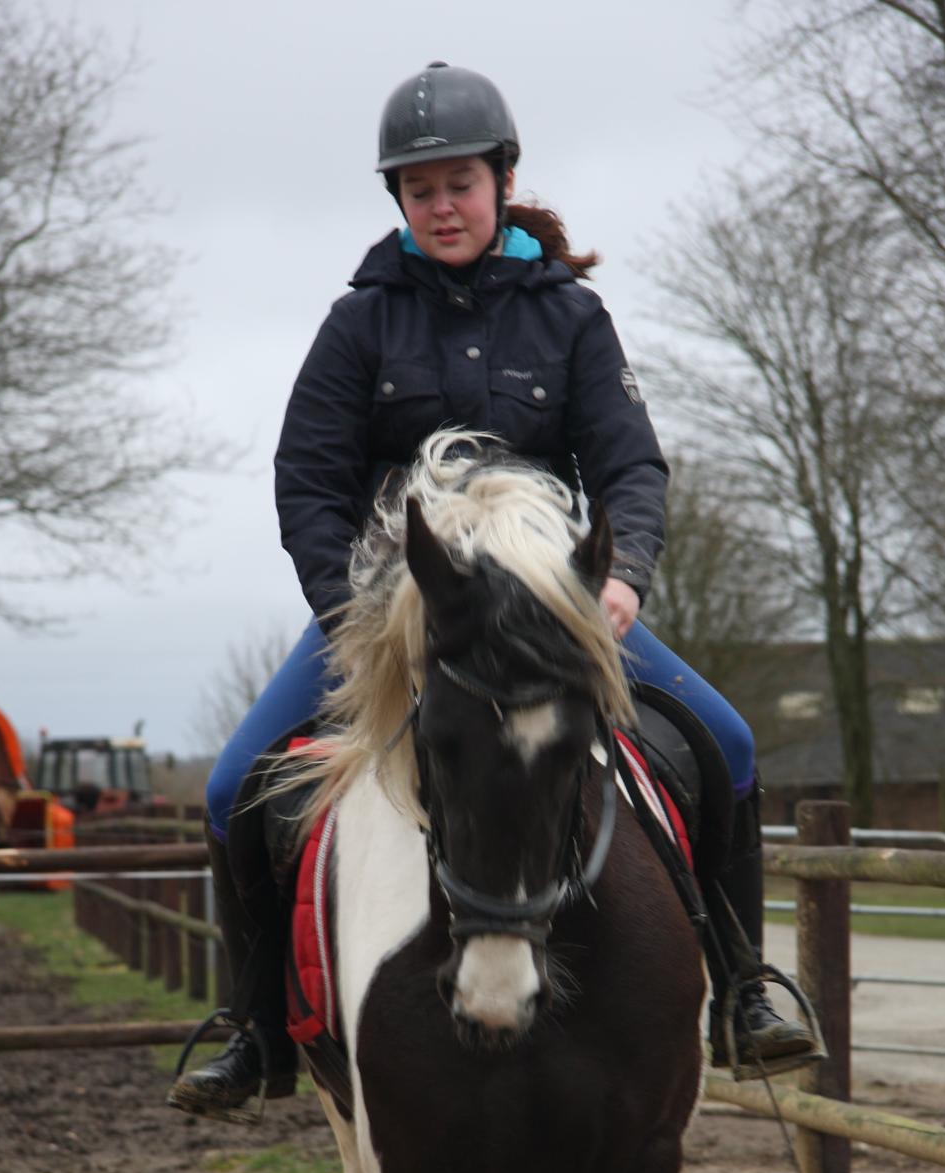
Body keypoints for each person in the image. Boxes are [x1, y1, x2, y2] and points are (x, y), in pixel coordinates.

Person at [169, 62, 814, 1118]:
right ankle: (251, 1027)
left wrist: (623, 582)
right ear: (398, 203)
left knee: (726, 743)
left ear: (501, 182)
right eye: (419, 189)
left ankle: (741, 991)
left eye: (458, 182)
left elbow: (630, 468)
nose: (441, 205)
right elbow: (308, 484)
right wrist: (352, 616)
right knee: (233, 783)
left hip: (548, 605)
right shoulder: (357, 325)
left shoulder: (569, 317)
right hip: (393, 610)